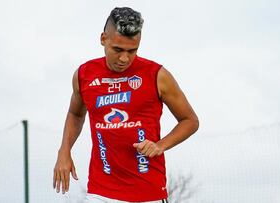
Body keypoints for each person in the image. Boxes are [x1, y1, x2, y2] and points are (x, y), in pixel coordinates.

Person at [53, 7, 199, 203]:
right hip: (100, 192)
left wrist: (160, 145)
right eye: (118, 50)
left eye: (132, 51)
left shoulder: (157, 75)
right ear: (103, 39)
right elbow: (76, 114)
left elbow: (190, 120)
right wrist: (64, 150)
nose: (124, 58)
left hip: (147, 193)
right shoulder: (84, 75)